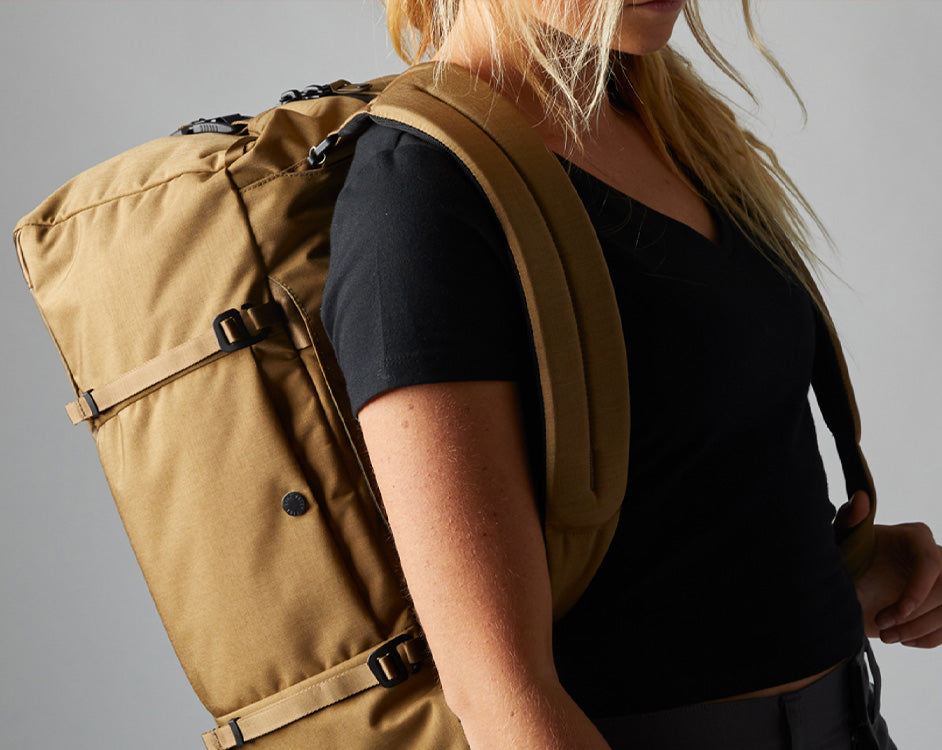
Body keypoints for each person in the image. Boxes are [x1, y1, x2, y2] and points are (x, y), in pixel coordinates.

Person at [321, 1, 942, 747]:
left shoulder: (666, 124)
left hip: (845, 719)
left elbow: (683, 490)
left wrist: (852, 572)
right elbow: (500, 697)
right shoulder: (420, 194)